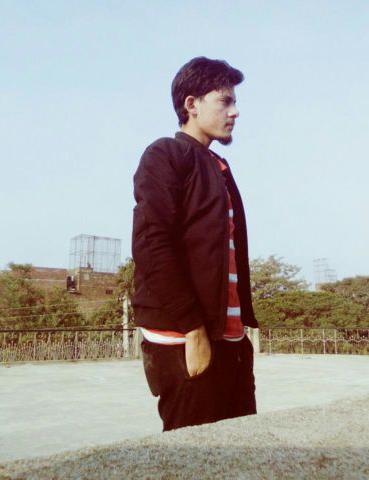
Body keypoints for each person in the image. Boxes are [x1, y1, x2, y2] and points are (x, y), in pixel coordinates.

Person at [132, 56, 258, 431]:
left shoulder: (219, 167)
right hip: (184, 340)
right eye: (225, 101)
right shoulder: (166, 155)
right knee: (192, 453)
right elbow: (152, 245)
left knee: (242, 451)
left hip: (230, 341)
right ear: (192, 104)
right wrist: (193, 330)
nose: (235, 112)